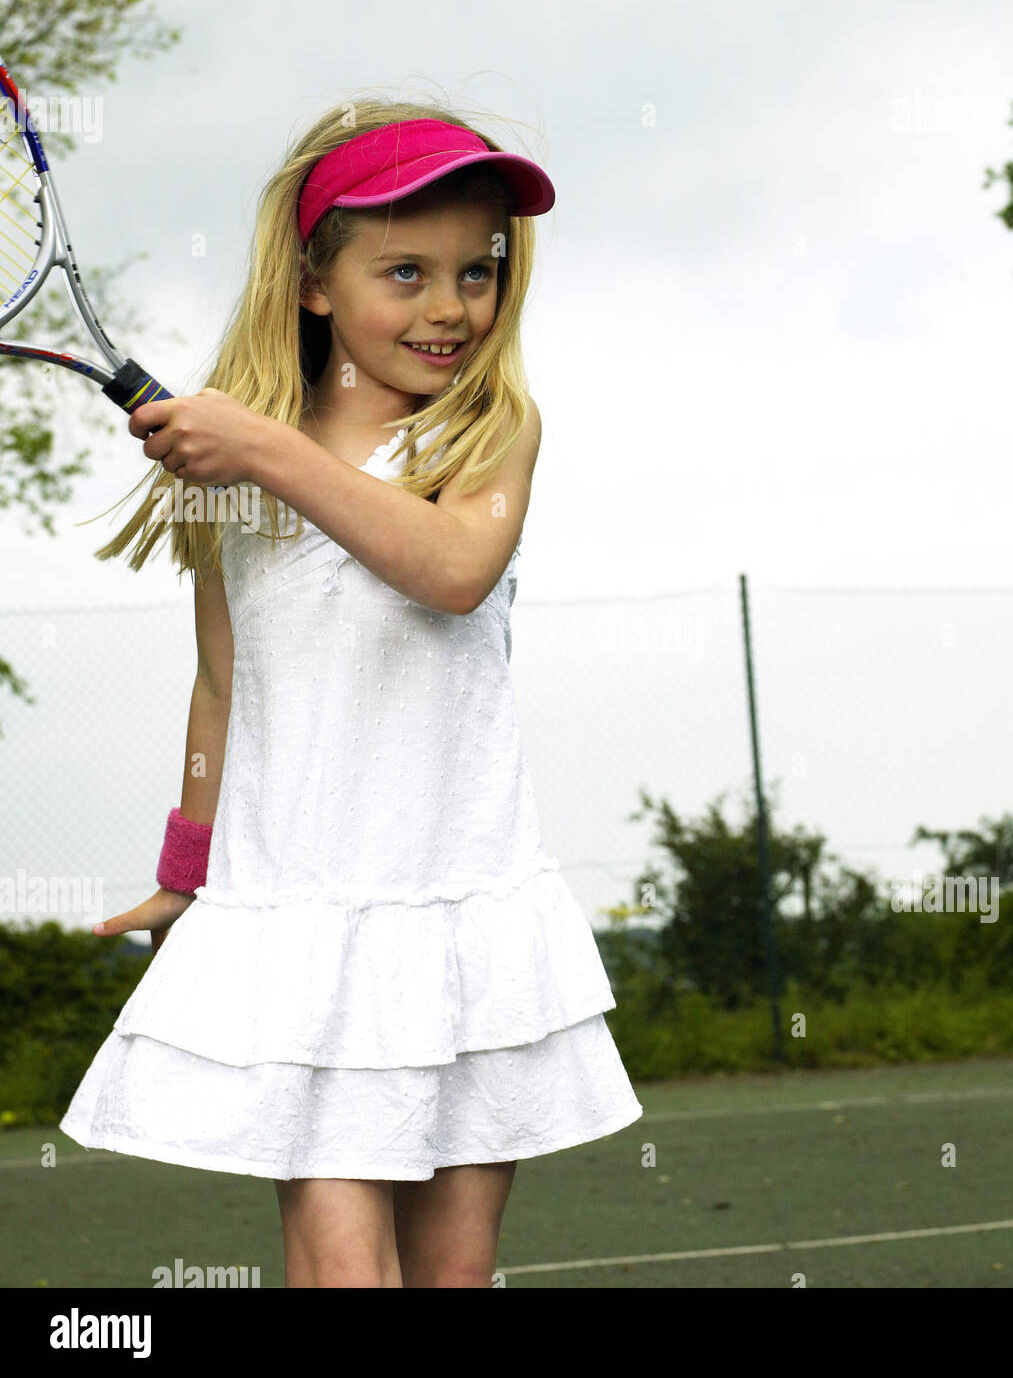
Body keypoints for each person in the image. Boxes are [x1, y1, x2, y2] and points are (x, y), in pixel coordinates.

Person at [60, 101, 644, 1288]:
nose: (450, 306)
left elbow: (452, 572)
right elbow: (223, 680)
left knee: (454, 1275)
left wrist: (268, 451)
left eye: (477, 271)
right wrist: (189, 870)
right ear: (317, 282)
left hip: (463, 918)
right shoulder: (236, 467)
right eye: (408, 271)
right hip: (302, 927)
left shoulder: (487, 431)